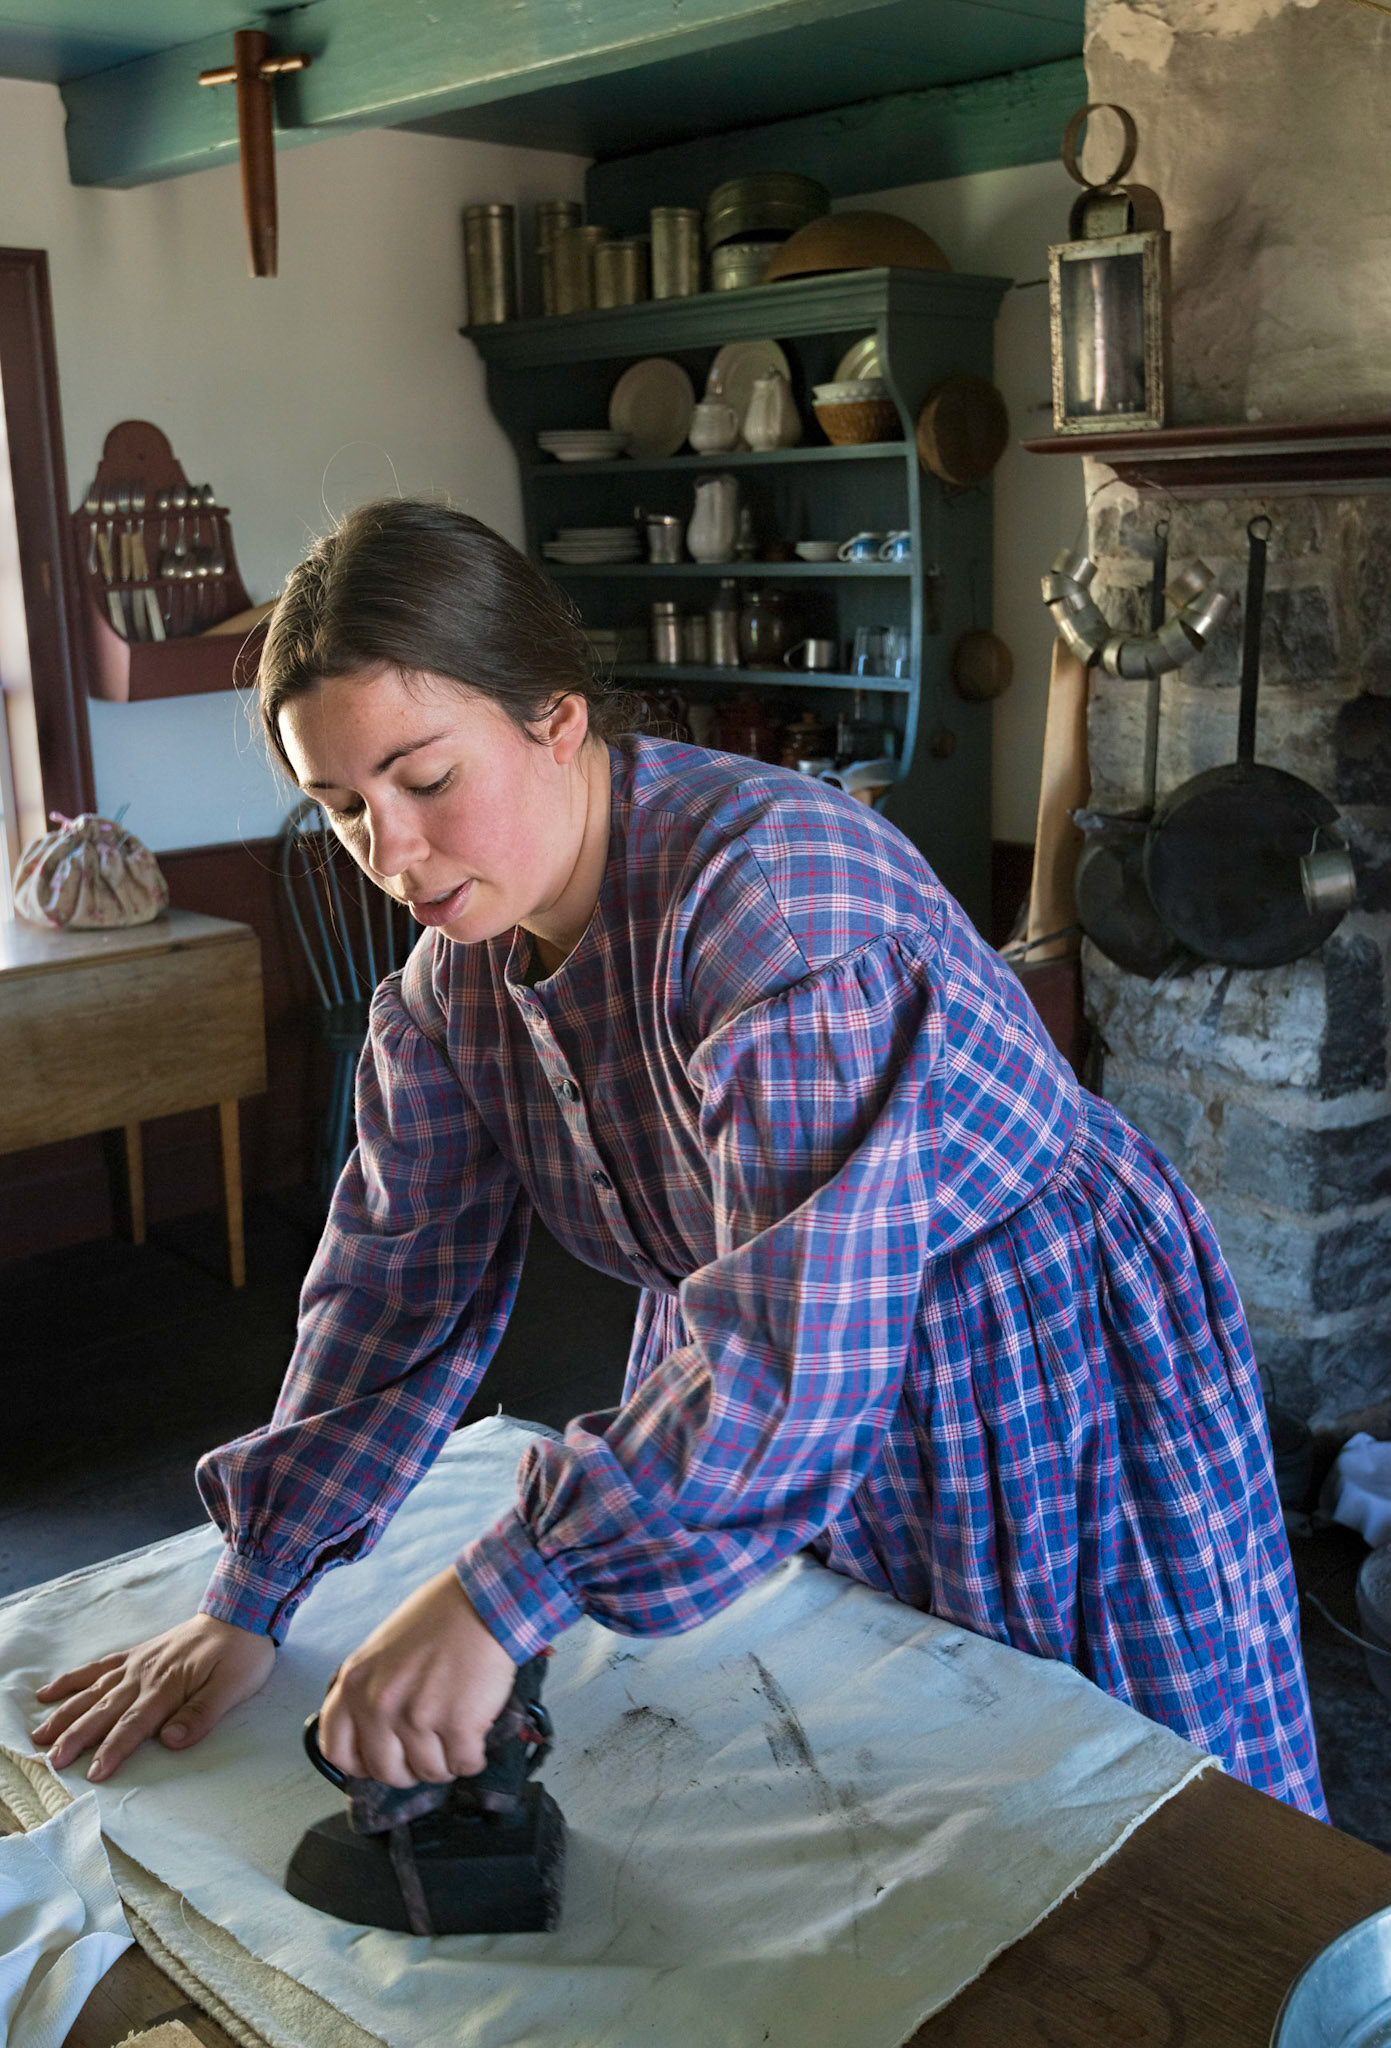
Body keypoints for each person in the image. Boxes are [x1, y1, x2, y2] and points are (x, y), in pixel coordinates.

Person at [33, 500, 1326, 1818]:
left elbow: (799, 1355)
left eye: (425, 781)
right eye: (343, 808)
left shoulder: (770, 904)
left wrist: (504, 1588)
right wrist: (257, 1588)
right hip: (746, 1361)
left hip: (1022, 1345)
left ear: (556, 719)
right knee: (832, 1777)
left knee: (1092, 1797)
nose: (393, 852)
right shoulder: (448, 995)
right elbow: (385, 1293)